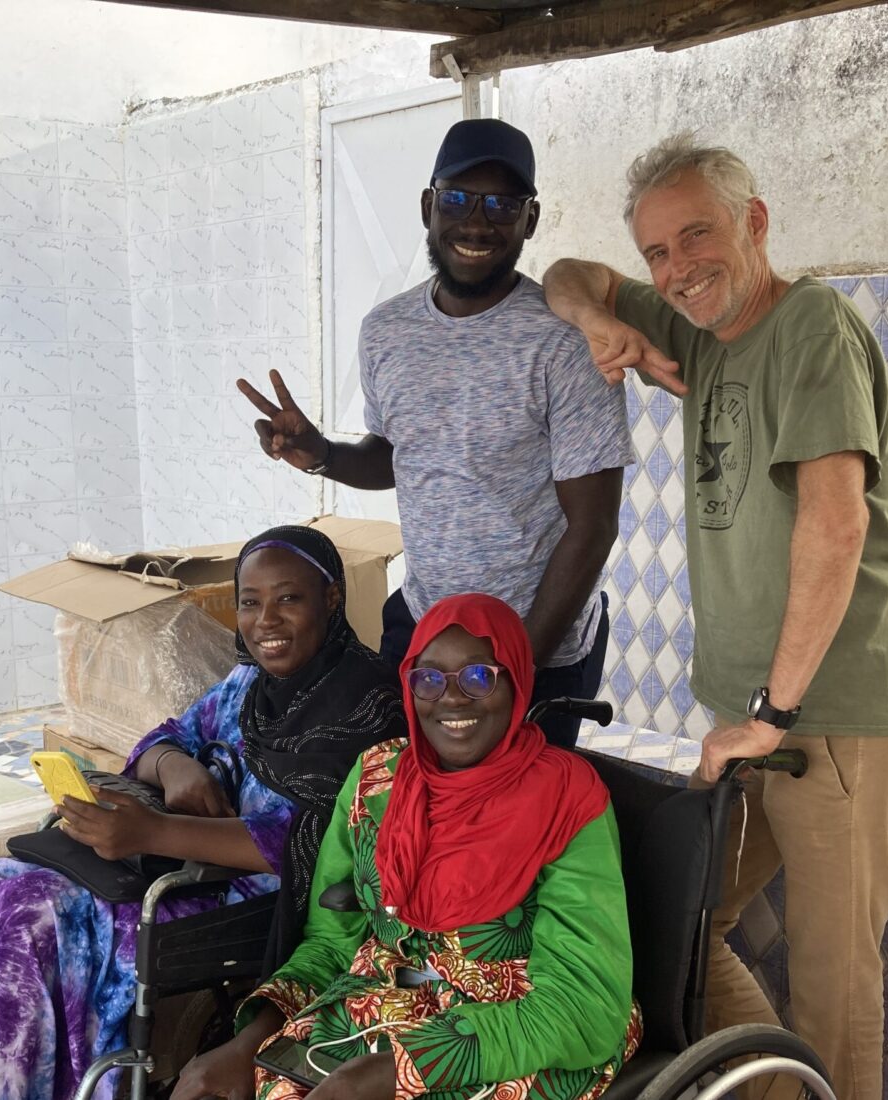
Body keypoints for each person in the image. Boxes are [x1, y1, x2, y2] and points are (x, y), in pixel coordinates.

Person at [542, 133, 888, 1100]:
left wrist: (773, 710)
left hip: (833, 719)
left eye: (697, 237)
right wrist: (600, 319)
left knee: (834, 988)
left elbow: (837, 526)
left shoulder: (810, 328)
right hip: (759, 722)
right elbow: (562, 272)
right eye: (657, 255)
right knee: (678, 917)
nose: (677, 270)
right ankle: (771, 1087)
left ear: (755, 224)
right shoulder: (697, 329)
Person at [0, 527, 407, 1100]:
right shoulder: (246, 685)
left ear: (332, 598)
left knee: (35, 910)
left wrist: (156, 830)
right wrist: (176, 768)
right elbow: (163, 739)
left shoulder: (369, 705)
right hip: (188, 871)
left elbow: (315, 838)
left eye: (288, 598)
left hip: (264, 902)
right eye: (250, 601)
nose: (266, 619)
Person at [237, 119, 633, 747]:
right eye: (458, 198)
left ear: (529, 220)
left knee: (519, 827)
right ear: (428, 206)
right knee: (412, 804)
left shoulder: (564, 340)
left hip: (539, 643)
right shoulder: (386, 332)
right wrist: (323, 456)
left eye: (503, 204)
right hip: (425, 622)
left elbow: (593, 523)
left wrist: (516, 665)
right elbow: (395, 458)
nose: (478, 222)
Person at [175, 593, 639, 1100]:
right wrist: (248, 1042)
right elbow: (333, 944)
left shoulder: (566, 798)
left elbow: (581, 1005)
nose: (453, 698)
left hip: (520, 1034)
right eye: (430, 679)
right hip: (384, 1005)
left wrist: (392, 1071)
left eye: (479, 676)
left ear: (516, 682)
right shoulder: (377, 780)